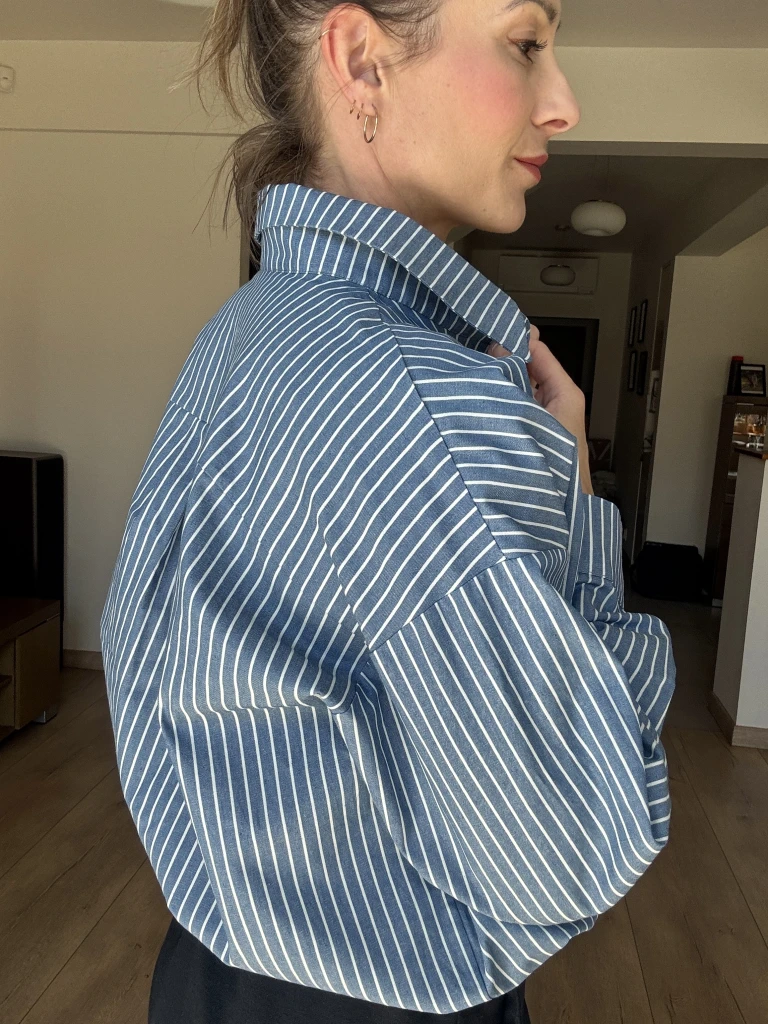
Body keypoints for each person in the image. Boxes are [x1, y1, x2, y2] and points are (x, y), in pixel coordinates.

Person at [100, 0, 676, 1021]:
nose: (563, 104)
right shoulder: (410, 392)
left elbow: (142, 655)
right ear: (360, 58)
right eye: (527, 42)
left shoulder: (247, 327)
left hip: (210, 976)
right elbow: (575, 837)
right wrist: (580, 498)